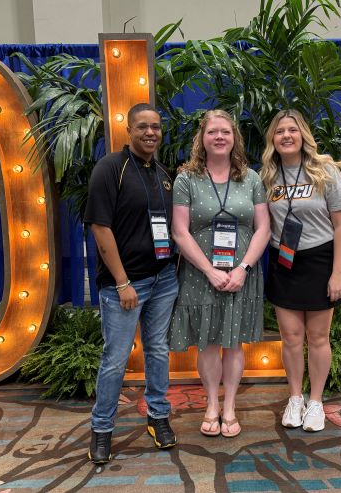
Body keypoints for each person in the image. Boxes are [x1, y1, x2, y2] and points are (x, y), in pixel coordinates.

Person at [83, 103, 179, 464]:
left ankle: (158, 417)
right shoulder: (110, 168)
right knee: (116, 359)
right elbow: (99, 227)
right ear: (128, 130)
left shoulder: (163, 174)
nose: (150, 133)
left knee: (157, 351)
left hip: (164, 280)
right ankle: (102, 428)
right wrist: (123, 283)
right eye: (143, 127)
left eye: (155, 127)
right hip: (124, 286)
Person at [170, 109, 271, 438]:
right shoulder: (186, 178)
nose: (219, 137)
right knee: (209, 344)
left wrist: (243, 268)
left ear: (234, 138)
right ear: (202, 137)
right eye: (212, 132)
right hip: (201, 275)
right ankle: (212, 403)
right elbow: (180, 231)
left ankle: (230, 407)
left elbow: (263, 229)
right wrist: (209, 270)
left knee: (234, 344)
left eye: (225, 132)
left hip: (242, 274)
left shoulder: (251, 178)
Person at [260, 108, 341, 432]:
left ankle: (316, 402)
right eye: (280, 130)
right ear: (273, 138)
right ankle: (295, 398)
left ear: (303, 136)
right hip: (284, 261)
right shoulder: (267, 177)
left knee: (317, 337)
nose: (286, 135)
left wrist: (337, 273)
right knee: (291, 337)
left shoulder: (324, 170)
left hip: (319, 260)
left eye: (292, 130)